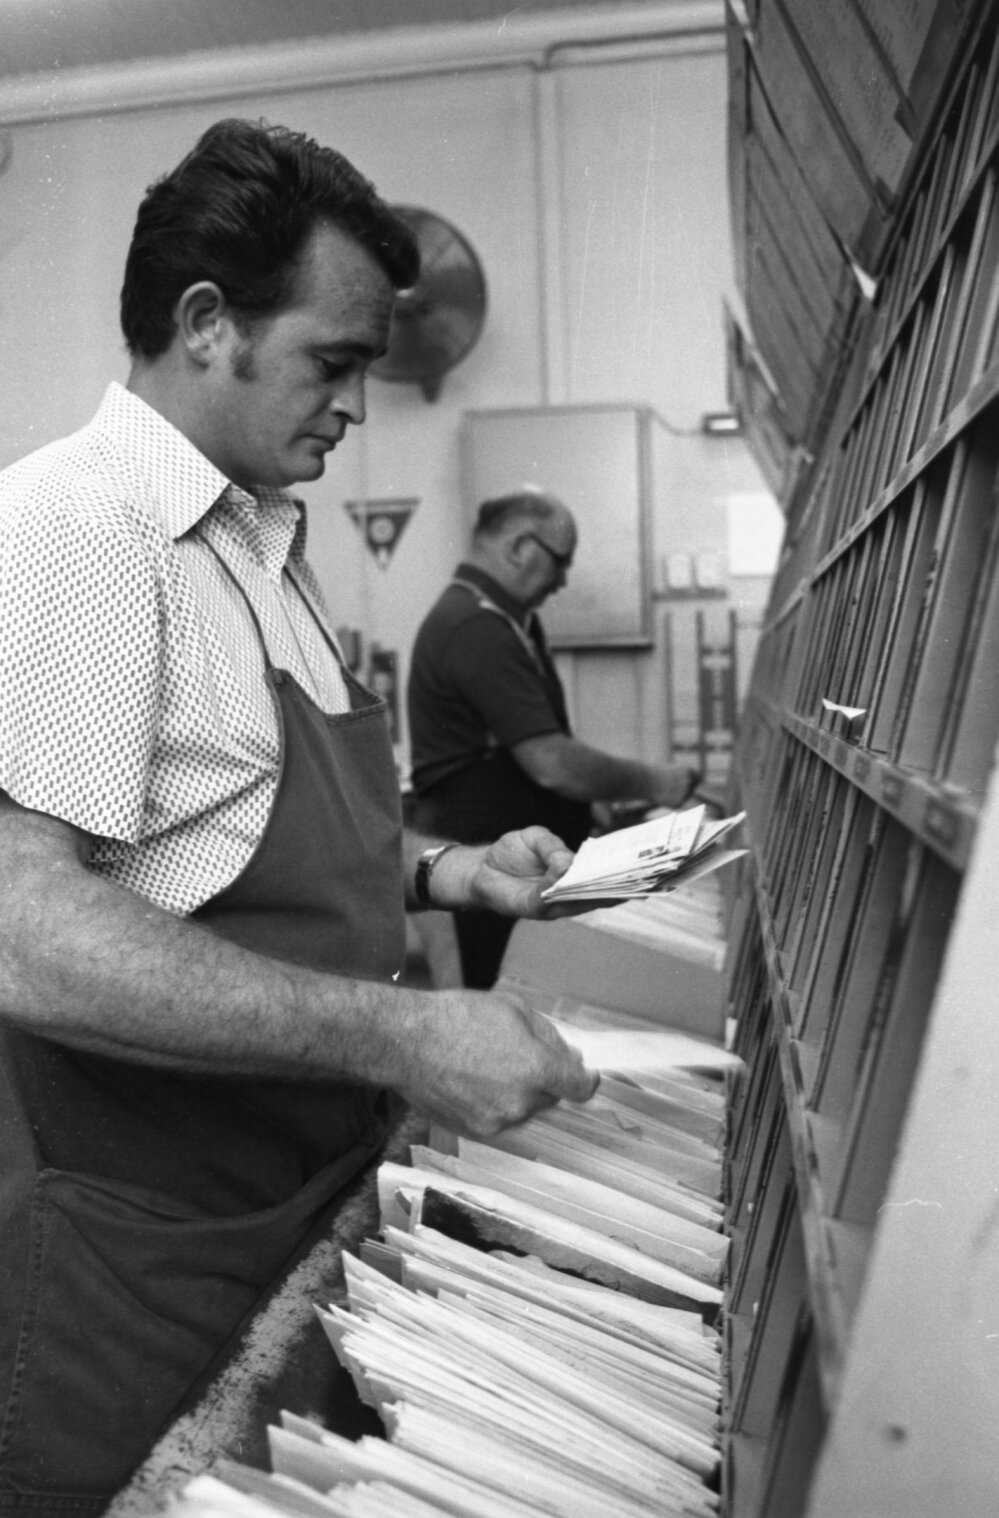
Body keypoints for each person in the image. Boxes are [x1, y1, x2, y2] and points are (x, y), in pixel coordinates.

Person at [0, 119, 596, 1513]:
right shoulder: (81, 531)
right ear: (208, 323)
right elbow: (24, 932)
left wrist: (451, 871)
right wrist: (406, 1033)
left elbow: (233, 827)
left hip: (293, 1183)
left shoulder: (260, 540)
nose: (354, 407)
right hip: (146, 1240)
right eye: (332, 364)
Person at [407, 490, 700, 988]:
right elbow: (553, 763)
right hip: (488, 875)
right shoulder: (476, 626)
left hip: (506, 871)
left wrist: (590, 805)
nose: (563, 580)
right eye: (561, 561)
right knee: (491, 1004)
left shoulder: (506, 621)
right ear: (520, 547)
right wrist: (657, 782)